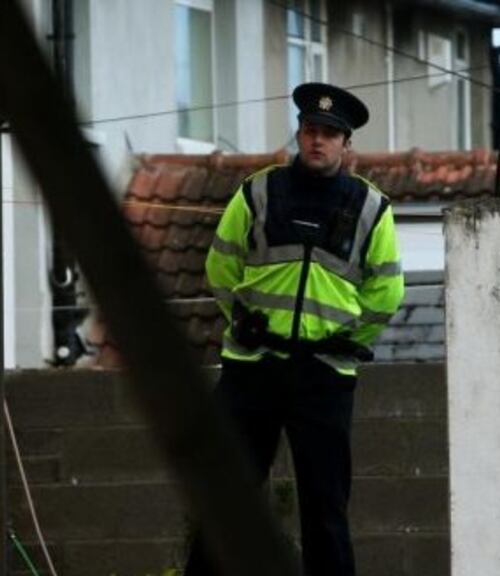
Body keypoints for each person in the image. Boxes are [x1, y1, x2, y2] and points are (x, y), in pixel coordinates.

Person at [186, 82, 405, 576]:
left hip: (324, 376)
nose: (317, 141)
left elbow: (386, 294)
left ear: (347, 145)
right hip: (252, 368)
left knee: (325, 511)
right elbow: (222, 267)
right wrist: (241, 321)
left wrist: (347, 344)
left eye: (330, 133)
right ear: (299, 134)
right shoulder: (257, 192)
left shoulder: (373, 209)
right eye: (310, 130)